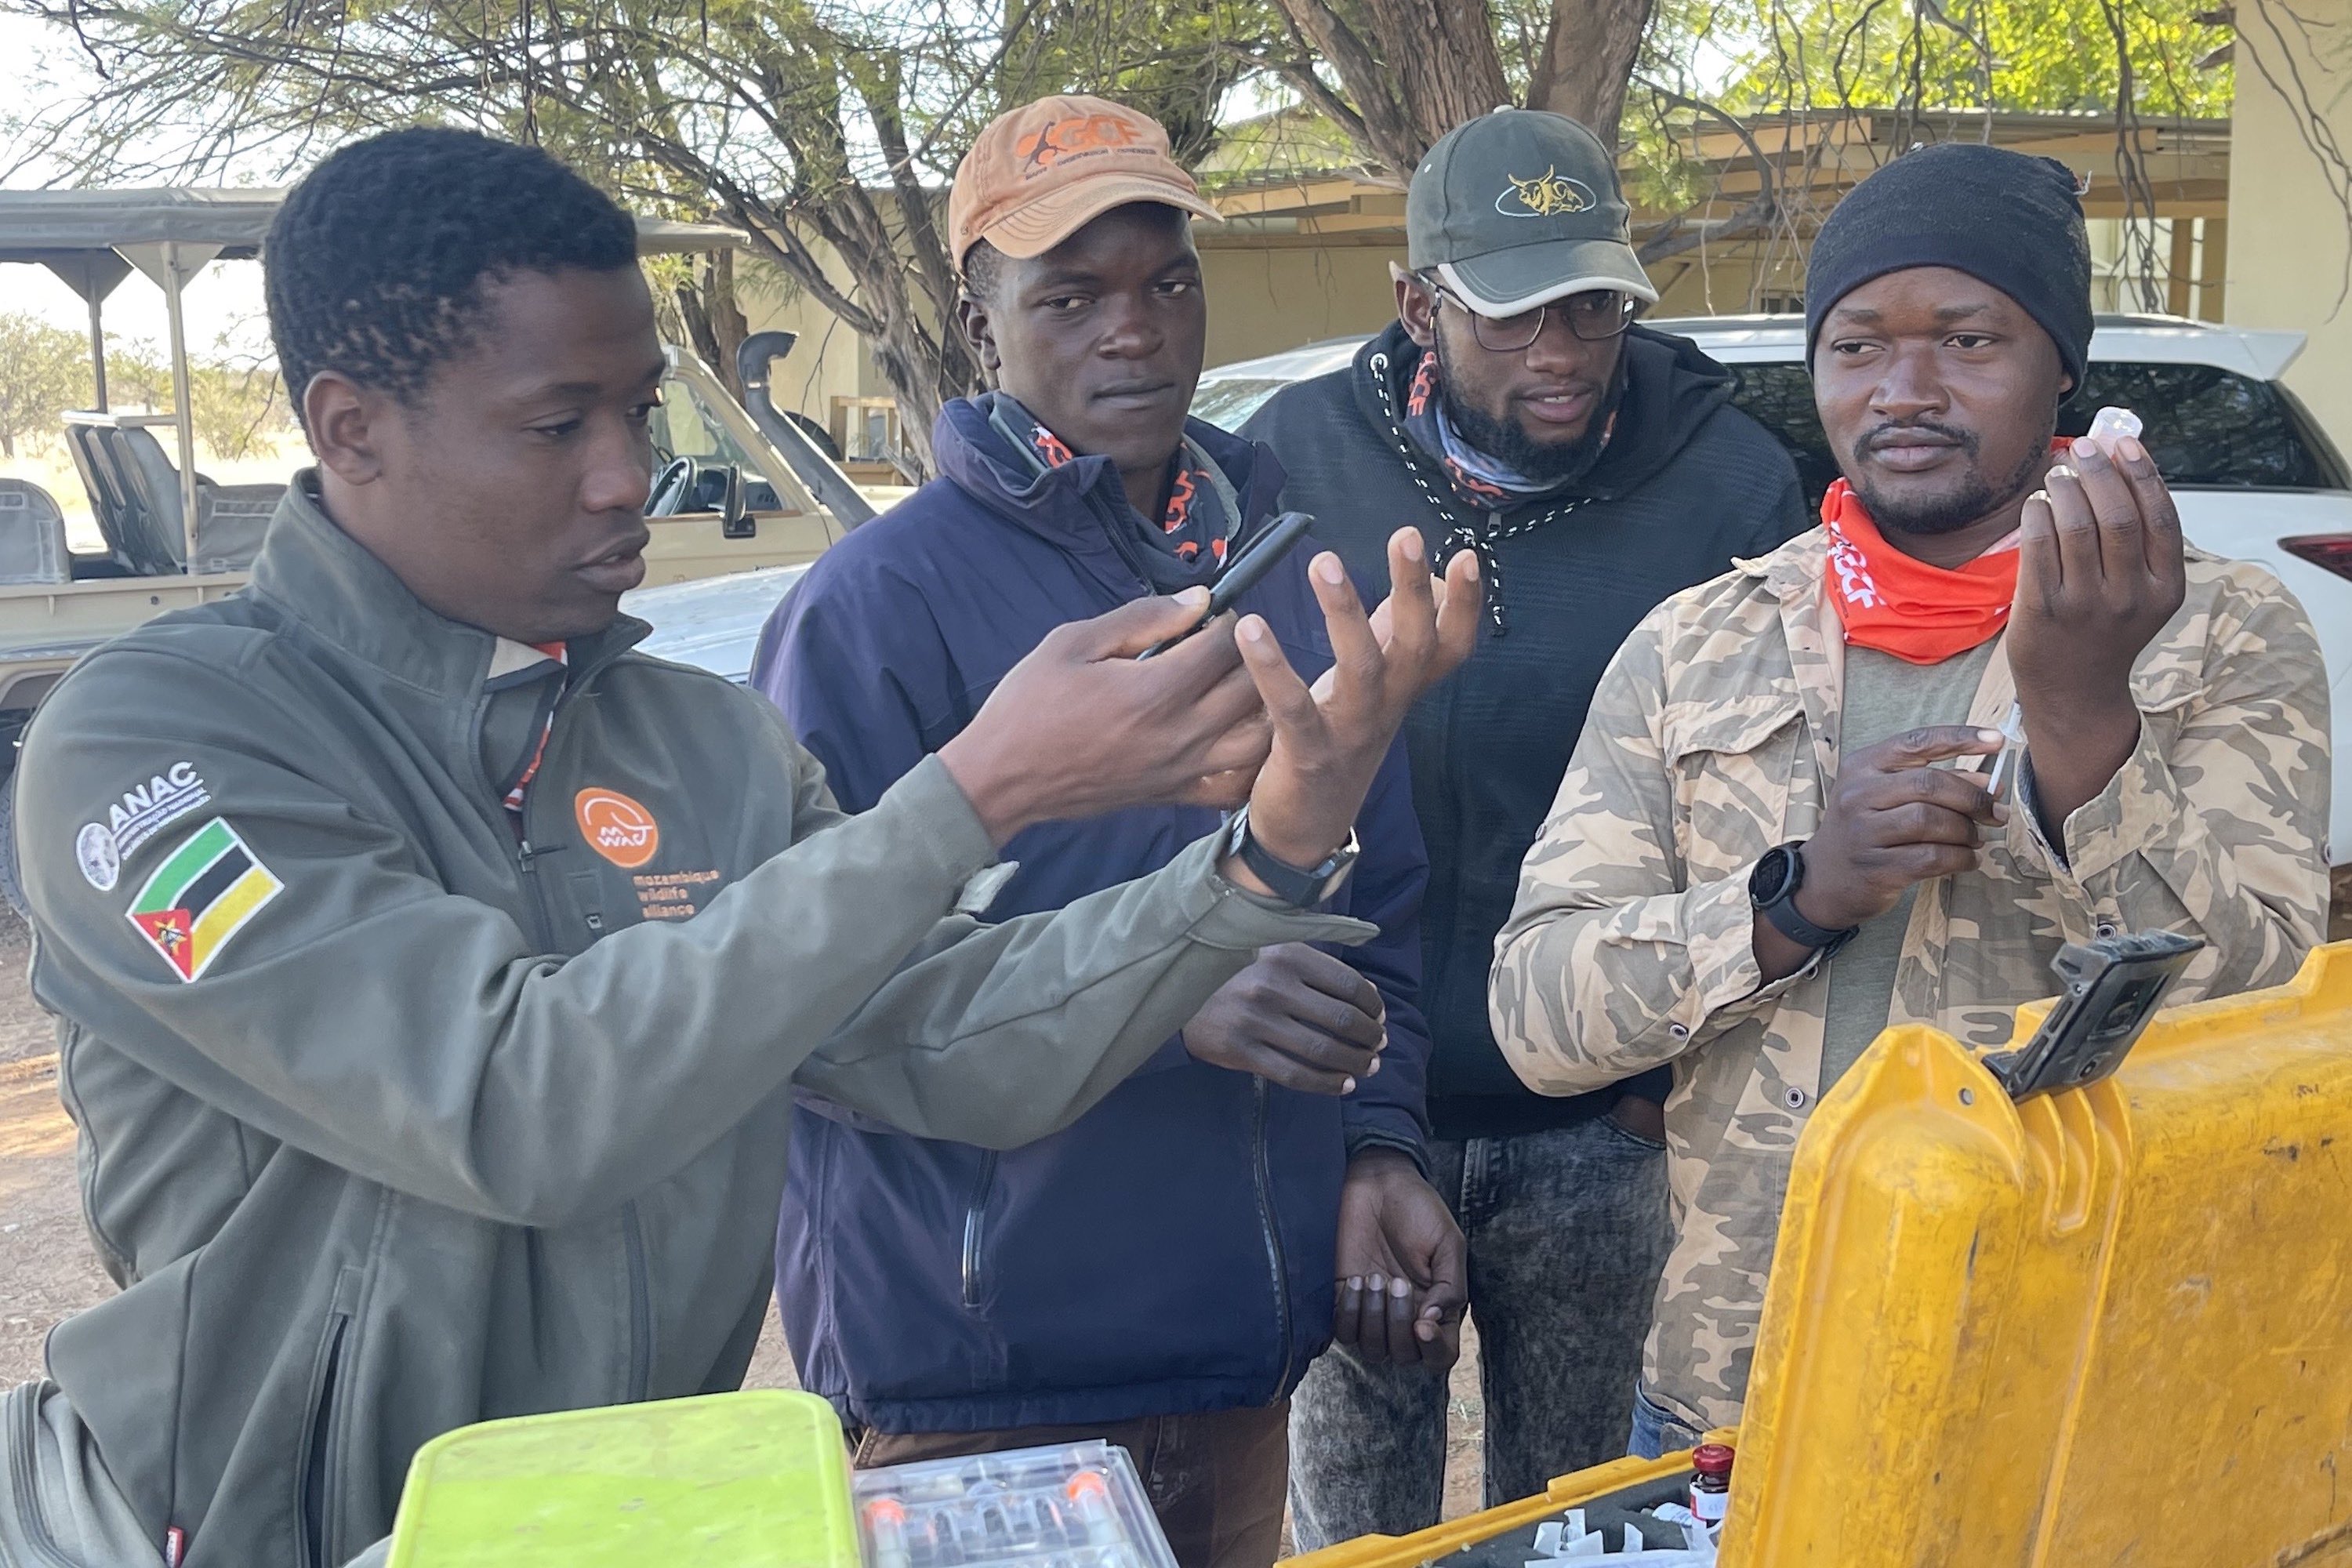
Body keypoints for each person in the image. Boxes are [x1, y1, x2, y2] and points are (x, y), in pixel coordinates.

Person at [0, 128, 1479, 1568]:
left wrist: (1266, 855)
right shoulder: (152, 744)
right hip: (219, 1534)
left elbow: (950, 1043)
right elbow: (515, 1104)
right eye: (554, 423)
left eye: (637, 413)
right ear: (348, 429)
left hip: (607, 1526)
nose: (623, 476)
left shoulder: (697, 746)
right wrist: (976, 792)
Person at [1490, 141, 2331, 1457]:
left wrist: (2081, 717)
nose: (1907, 390)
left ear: (2062, 363)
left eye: (1968, 339)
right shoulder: (1700, 641)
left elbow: (2260, 1015)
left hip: (2072, 1392)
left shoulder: (2214, 629)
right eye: (1859, 346)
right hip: (1741, 1396)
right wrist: (1792, 899)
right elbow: (1537, 1012)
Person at [750, 96, 1462, 1568]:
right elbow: (799, 1013)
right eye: (1069, 295)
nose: (1132, 333)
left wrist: (1378, 1148)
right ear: (981, 317)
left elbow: (1374, 901)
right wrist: (1165, 1003)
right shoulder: (874, 608)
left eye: (1166, 282)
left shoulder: (1286, 570)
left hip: (1229, 1366)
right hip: (980, 1379)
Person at [1243, 107, 1807, 1538]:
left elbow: (1774, 804)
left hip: (1607, 1121)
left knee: (1585, 1517)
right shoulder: (1290, 463)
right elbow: (1234, 781)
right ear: (1416, 301)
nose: (1558, 352)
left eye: (1591, 307)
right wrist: (1324, 1116)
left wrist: (1658, 1088)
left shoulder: (1732, 486)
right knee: (1361, 1522)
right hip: (1357, 1112)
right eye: (1509, 317)